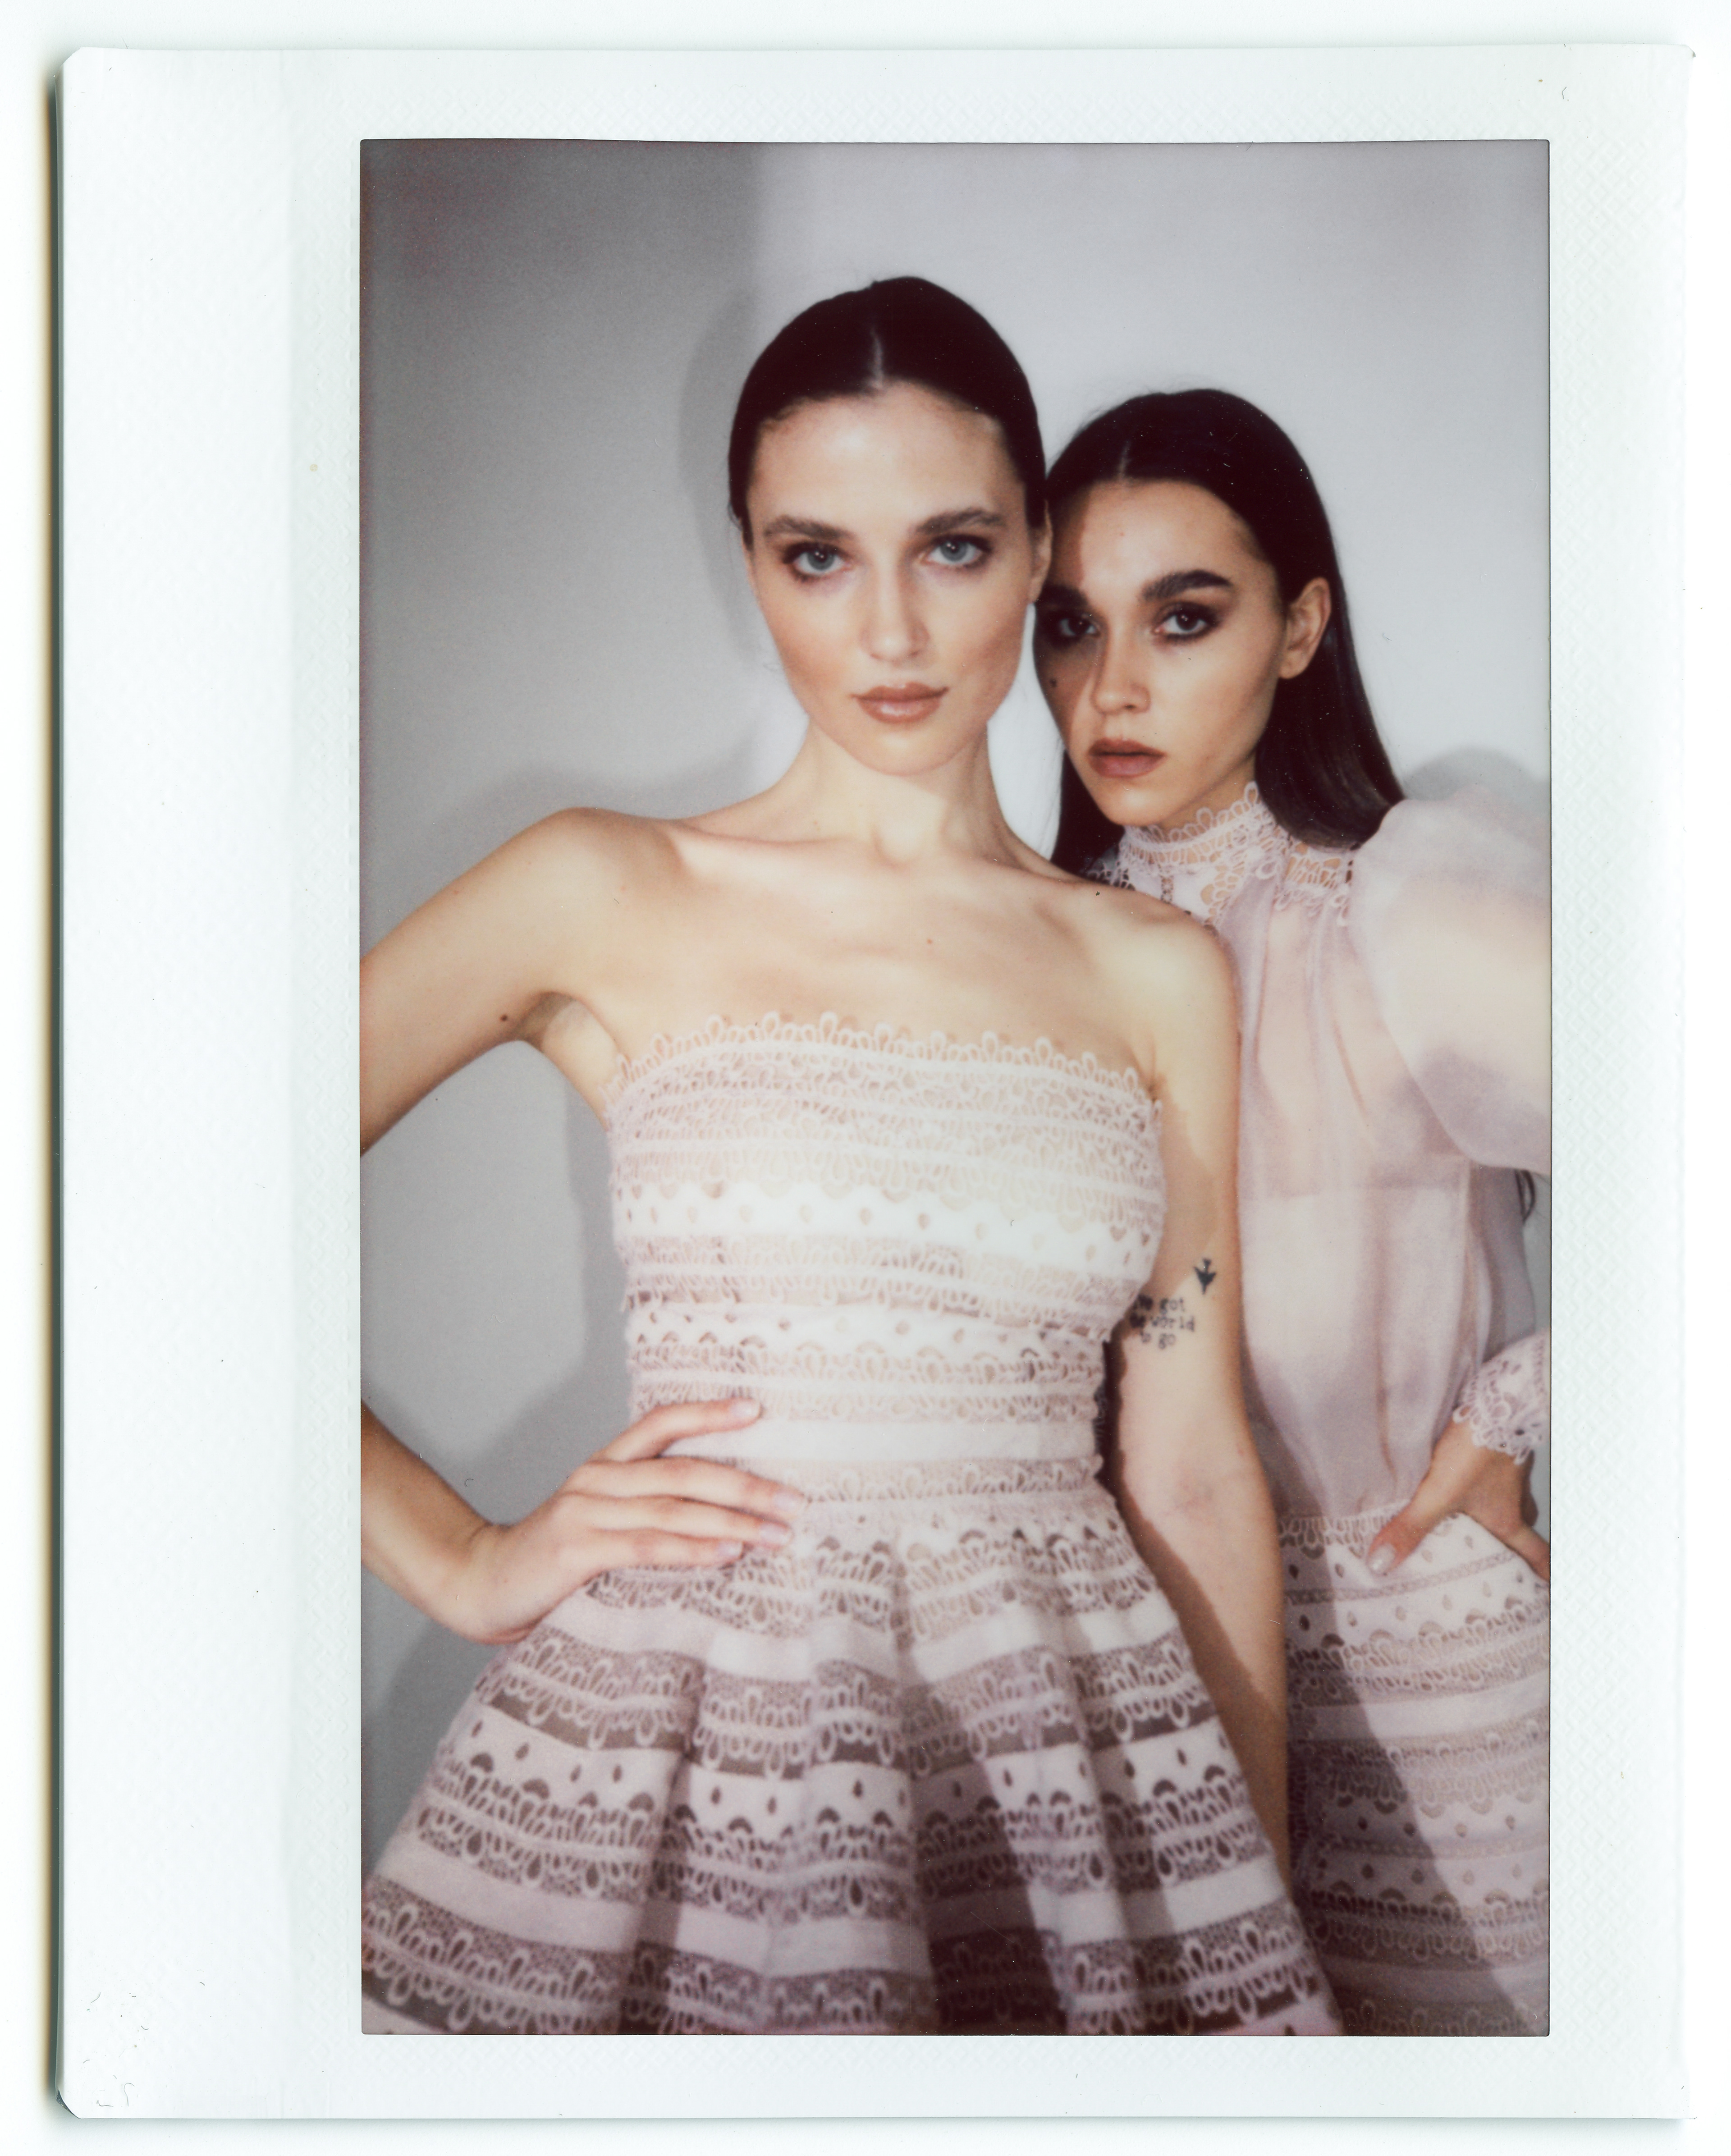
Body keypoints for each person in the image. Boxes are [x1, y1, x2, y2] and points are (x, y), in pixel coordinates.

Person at [358, 284, 1337, 2036]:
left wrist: (1249, 1905)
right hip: (706, 1734)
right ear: (747, 559)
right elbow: (150, 1189)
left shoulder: (1154, 968)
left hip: (1071, 1748)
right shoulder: (605, 886)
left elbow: (1191, 1466)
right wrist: (461, 1558)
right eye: (817, 557)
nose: (890, 630)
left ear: (1035, 551)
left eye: (953, 549)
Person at [1035, 387, 1550, 2037]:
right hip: (1128, 1671)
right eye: (1072, 624)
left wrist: (1517, 1410)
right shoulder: (1028, 964)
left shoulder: (1411, 900)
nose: (1112, 686)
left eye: (1184, 618)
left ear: (1302, 627)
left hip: (1424, 1656)